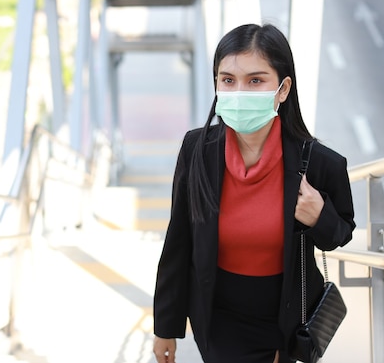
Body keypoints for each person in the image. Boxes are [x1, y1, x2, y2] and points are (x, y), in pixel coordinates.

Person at [152, 23, 356, 363]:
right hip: (219, 319)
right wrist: (165, 326)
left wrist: (319, 215)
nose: (239, 91)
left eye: (256, 80)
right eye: (228, 80)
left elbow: (341, 233)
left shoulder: (319, 163)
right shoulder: (197, 150)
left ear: (283, 89)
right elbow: (179, 240)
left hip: (286, 321)